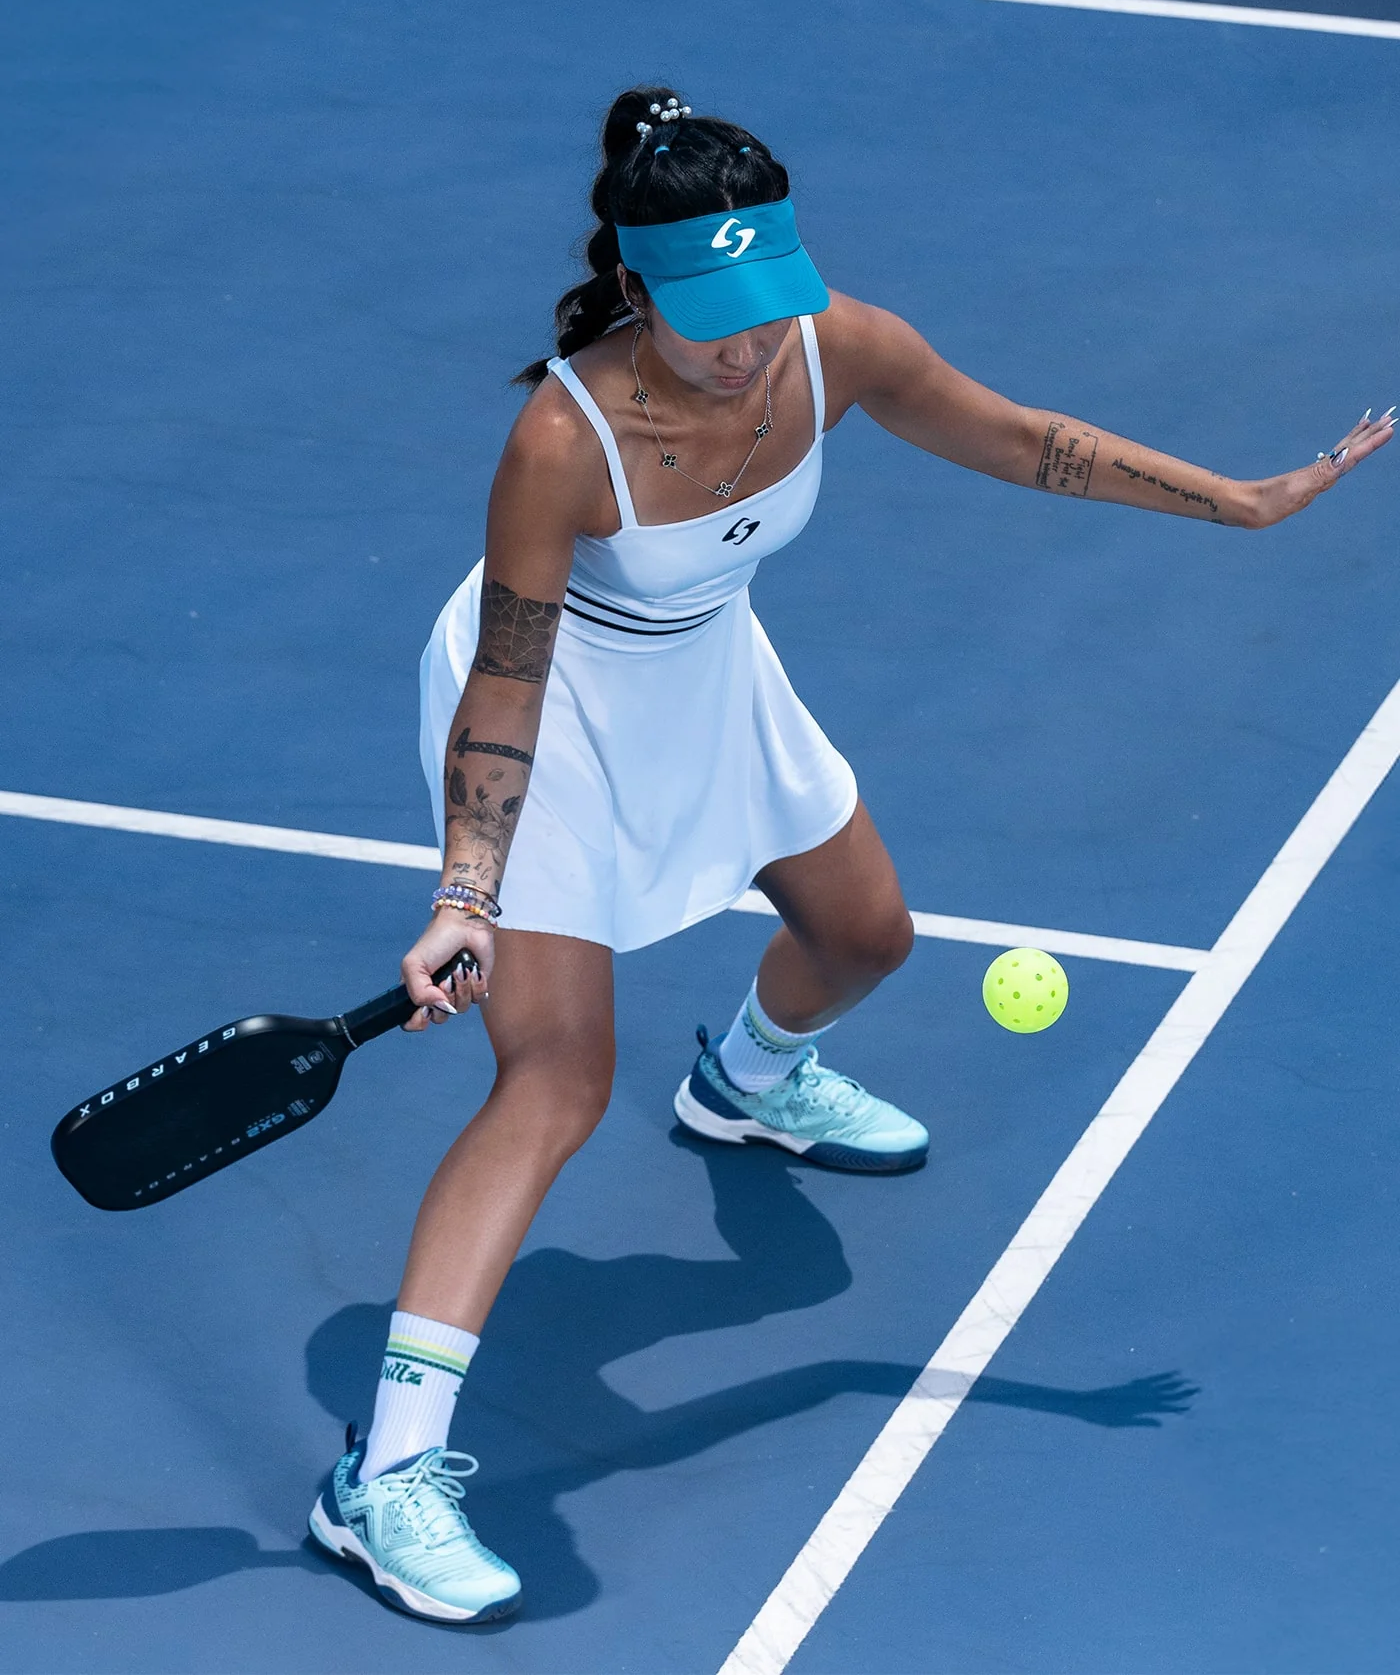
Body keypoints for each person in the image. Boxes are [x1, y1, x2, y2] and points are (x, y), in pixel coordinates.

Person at [306, 86, 1393, 1624]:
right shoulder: (561, 439)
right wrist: (468, 891)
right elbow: (506, 679)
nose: (749, 346)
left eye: (769, 303)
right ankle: (384, 1477)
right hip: (559, 712)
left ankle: (743, 1084)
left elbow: (1020, 438)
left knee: (866, 936)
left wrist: (1241, 501)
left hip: (708, 663)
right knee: (555, 1078)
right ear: (636, 286)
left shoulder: (838, 347)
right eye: (713, 321)